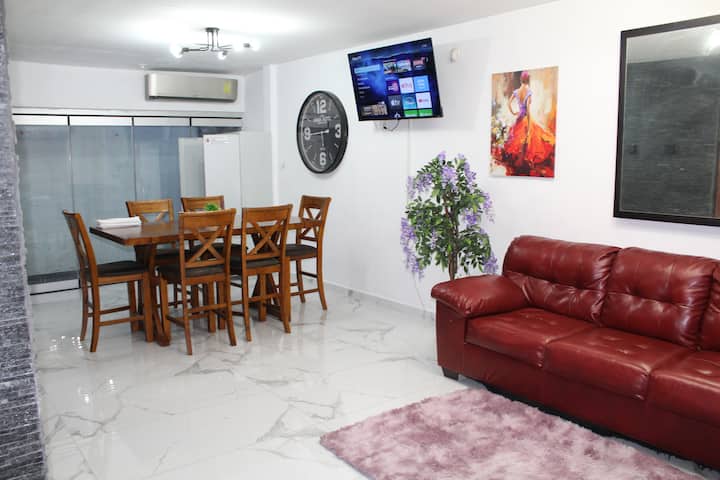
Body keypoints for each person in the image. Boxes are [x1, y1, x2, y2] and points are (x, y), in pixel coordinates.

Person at [503, 71, 555, 174]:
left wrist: (514, 112)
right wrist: (529, 122)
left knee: (518, 138)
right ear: (527, 80)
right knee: (529, 139)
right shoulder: (529, 92)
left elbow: (508, 103)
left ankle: (521, 161)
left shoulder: (516, 92)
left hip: (519, 117)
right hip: (526, 118)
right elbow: (527, 109)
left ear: (521, 80)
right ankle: (524, 161)